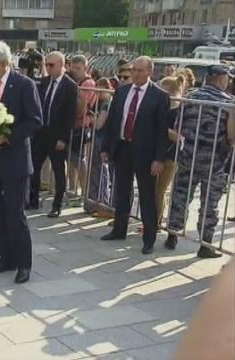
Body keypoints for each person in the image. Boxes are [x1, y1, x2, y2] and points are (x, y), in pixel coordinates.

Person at [0, 41, 42, 284]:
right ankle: (6, 258)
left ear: (4, 65)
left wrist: (7, 136)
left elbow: (34, 120)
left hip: (14, 161)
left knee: (15, 214)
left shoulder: (24, 85)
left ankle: (23, 263)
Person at [100, 56, 170, 255]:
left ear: (150, 72)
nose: (136, 73)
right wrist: (105, 148)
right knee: (122, 190)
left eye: (140, 70)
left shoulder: (159, 96)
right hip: (122, 147)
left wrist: (158, 159)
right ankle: (119, 229)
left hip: (145, 153)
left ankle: (149, 238)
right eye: (134, 70)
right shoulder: (121, 92)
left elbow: (161, 131)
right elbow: (113, 122)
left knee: (147, 195)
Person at [166, 65, 235, 258]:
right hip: (215, 161)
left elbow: (178, 126)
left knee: (180, 195)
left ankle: (172, 233)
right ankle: (205, 244)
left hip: (188, 155)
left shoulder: (189, 97)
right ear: (221, 79)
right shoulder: (228, 102)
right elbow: (231, 136)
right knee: (209, 203)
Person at [28, 51, 77, 218]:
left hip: (57, 135)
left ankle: (57, 205)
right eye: (46, 65)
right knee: (33, 167)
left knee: (58, 170)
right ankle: (32, 199)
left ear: (61, 65)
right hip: (41, 133)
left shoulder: (70, 86)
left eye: (51, 65)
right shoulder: (44, 81)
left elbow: (70, 115)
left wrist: (63, 138)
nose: (48, 68)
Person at [152, 75, 184, 236]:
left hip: (170, 156)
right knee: (155, 190)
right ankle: (154, 221)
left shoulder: (179, 111)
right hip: (160, 153)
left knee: (159, 190)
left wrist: (160, 128)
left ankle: (156, 222)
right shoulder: (166, 108)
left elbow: (179, 136)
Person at [84, 78, 113, 218]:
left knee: (99, 171)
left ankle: (100, 202)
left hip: (101, 140)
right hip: (100, 140)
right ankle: (95, 201)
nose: (97, 92)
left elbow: (99, 124)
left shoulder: (106, 105)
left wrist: (92, 117)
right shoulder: (103, 103)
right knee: (97, 171)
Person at [68, 55, 97, 199]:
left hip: (81, 125)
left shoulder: (88, 83)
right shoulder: (73, 81)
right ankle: (72, 189)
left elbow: (82, 106)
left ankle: (84, 191)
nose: (75, 71)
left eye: (78, 68)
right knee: (70, 159)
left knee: (79, 159)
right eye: (73, 68)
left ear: (85, 68)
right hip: (71, 125)